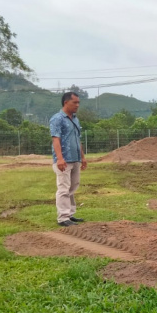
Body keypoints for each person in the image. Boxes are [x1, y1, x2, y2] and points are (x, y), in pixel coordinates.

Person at [49, 92, 87, 226]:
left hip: (75, 158)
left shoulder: (75, 119)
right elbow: (56, 139)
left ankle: (70, 214)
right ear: (66, 103)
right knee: (63, 188)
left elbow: (78, 139)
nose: (77, 105)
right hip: (64, 159)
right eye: (75, 103)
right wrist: (59, 159)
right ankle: (63, 217)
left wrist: (82, 157)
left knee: (73, 187)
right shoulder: (57, 119)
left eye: (78, 103)